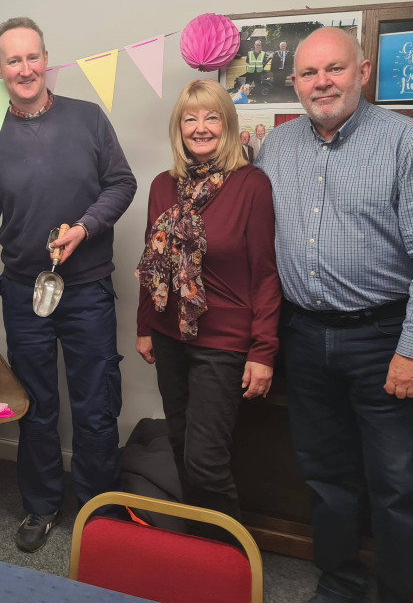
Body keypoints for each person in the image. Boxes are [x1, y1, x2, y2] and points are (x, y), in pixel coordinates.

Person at [256, 27, 413, 603]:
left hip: (384, 339)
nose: (322, 82)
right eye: (309, 73)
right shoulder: (278, 147)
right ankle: (339, 584)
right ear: (294, 82)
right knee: (327, 480)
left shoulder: (407, 142)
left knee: (399, 486)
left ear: (363, 71)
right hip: (303, 336)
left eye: (335, 69)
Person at [0, 17, 137, 552]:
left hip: (87, 288)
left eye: (32, 57)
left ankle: (98, 511)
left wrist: (86, 227)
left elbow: (122, 183)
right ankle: (41, 506)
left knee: (95, 406)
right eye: (12, 60)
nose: (25, 69)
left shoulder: (88, 118)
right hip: (25, 293)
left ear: (47, 59)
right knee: (35, 405)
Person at [135, 79, 279, 533]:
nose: (201, 128)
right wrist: (144, 325)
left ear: (228, 124)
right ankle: (196, 554)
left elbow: (266, 273)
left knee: (206, 461)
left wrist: (263, 350)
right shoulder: (163, 185)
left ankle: (230, 567)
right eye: (190, 118)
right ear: (179, 129)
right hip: (168, 336)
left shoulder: (250, 185)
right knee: (180, 448)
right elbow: (151, 262)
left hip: (224, 340)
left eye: (211, 117)